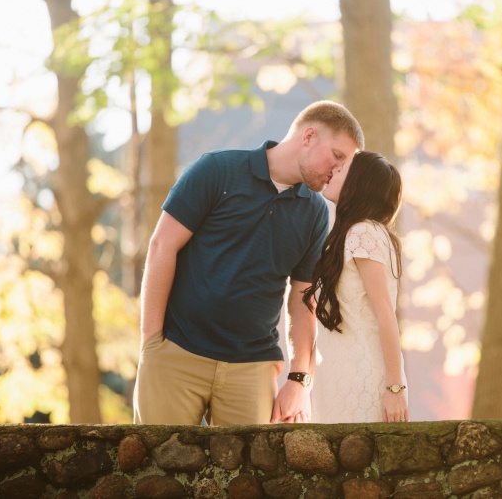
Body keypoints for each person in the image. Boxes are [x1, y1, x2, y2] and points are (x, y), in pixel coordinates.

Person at [133, 100, 364, 426]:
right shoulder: (217, 170)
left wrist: (299, 380)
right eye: (337, 156)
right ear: (309, 136)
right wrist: (151, 343)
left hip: (252, 369)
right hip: (177, 355)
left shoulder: (315, 213)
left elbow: (303, 301)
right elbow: (161, 247)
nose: (338, 170)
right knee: (156, 472)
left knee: (250, 477)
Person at [302, 151, 408, 423]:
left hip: (362, 379)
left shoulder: (363, 233)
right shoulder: (352, 234)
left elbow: (385, 313)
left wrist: (395, 388)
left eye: (342, 169)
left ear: (359, 183)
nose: (333, 171)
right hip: (336, 378)